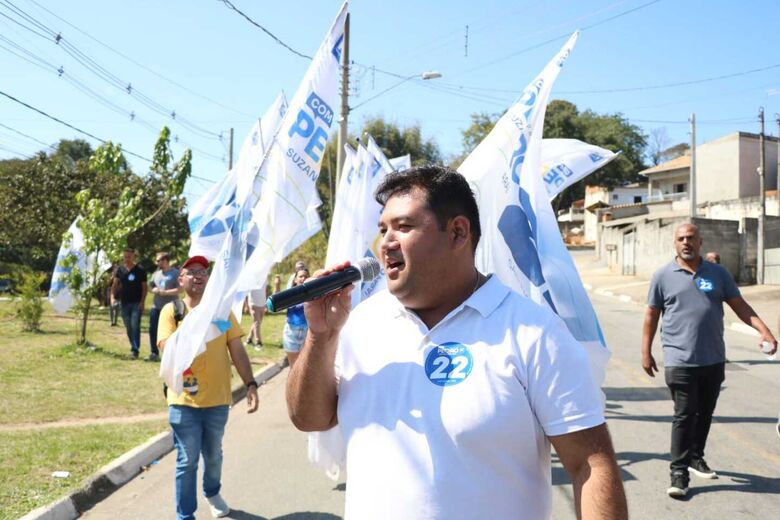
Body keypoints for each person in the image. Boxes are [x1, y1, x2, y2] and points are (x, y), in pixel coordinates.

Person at [287, 166, 626, 519]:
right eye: (383, 229)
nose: (385, 242)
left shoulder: (534, 333)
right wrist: (321, 336)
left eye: (403, 227)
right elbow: (308, 418)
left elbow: (590, 465)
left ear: (458, 232)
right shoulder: (358, 324)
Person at [641, 223, 777, 498]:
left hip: (713, 358)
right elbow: (651, 315)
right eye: (680, 239)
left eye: (690, 238)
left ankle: (695, 457)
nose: (686, 242)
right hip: (679, 358)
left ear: (700, 242)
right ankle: (678, 472)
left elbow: (739, 305)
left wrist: (765, 330)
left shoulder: (718, 273)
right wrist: (646, 351)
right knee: (684, 414)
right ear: (675, 243)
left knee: (705, 412)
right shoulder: (663, 275)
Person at [158, 255, 259, 520]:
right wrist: (196, 324)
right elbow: (165, 349)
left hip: (217, 400)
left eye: (203, 271)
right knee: (187, 460)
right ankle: (185, 515)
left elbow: (236, 348)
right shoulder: (173, 311)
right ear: (181, 280)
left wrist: (250, 383)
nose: (198, 275)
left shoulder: (221, 313)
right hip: (183, 401)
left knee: (213, 455)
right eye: (191, 271)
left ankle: (212, 493)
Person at [112, 248, 147, 359]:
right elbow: (114, 285)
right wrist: (112, 298)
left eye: (129, 256)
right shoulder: (120, 270)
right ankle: (133, 345)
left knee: (135, 325)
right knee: (128, 326)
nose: (127, 258)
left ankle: (135, 350)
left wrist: (142, 302)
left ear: (133, 257)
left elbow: (144, 288)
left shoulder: (140, 270)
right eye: (125, 256)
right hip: (124, 303)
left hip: (136, 303)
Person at [148, 252, 180, 362]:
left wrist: (165, 292)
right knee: (153, 329)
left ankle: (172, 354)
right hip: (156, 306)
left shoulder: (176, 273)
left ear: (165, 260)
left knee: (171, 331)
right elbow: (150, 286)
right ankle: (154, 353)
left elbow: (180, 289)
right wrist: (153, 290)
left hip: (171, 307)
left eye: (158, 260)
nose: (157, 263)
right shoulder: (156, 274)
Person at [282, 268, 309, 367]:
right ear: (295, 279)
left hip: (307, 332)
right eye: (300, 276)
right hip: (291, 332)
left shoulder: (312, 294)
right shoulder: (289, 293)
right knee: (293, 366)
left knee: (304, 365)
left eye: (306, 276)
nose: (303, 278)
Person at [245, 280, 267, 349]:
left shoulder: (264, 277)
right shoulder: (251, 278)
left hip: (262, 303)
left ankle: (249, 339)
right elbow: (245, 292)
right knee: (257, 323)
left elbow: (265, 290)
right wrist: (246, 305)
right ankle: (258, 342)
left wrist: (266, 303)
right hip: (253, 304)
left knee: (257, 323)